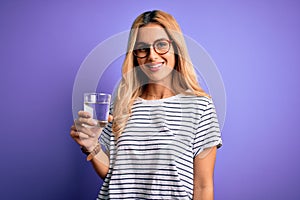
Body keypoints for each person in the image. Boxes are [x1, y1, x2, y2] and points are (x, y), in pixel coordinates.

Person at [70, 10, 222, 200]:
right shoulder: (119, 106)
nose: (152, 56)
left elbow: (203, 186)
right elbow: (113, 175)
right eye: (143, 48)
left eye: (161, 45)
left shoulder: (200, 107)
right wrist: (92, 145)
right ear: (135, 56)